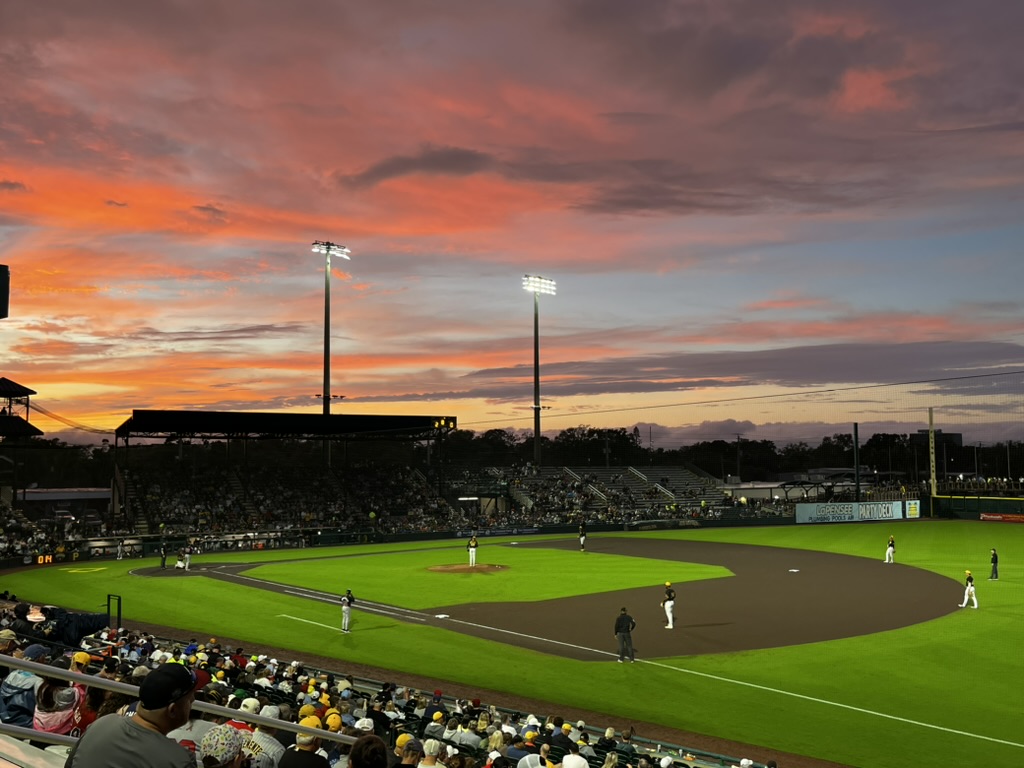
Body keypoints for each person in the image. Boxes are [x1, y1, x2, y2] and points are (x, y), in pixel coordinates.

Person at [64, 661, 200, 767]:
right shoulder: (180, 760)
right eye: (190, 699)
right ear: (172, 710)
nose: (193, 701)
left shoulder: (102, 723)